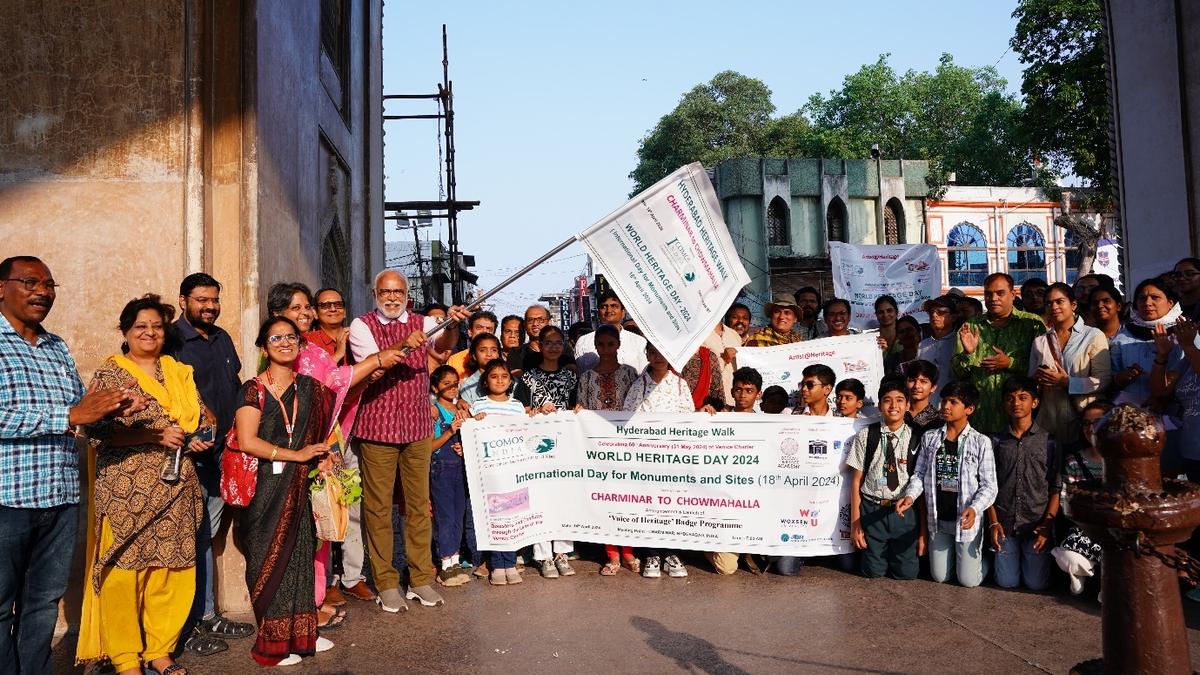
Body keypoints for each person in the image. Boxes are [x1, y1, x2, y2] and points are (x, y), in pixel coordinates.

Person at [0, 257, 143, 675]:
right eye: (30, 282)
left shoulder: (57, 345)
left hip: (61, 496)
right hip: (8, 498)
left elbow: (81, 406)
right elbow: (64, 414)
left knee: (43, 602)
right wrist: (67, 416)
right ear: (1, 287)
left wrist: (113, 406)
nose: (42, 291)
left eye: (49, 283)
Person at [75, 295, 209, 675]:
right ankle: (124, 658)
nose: (149, 332)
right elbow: (95, 431)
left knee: (172, 572)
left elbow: (192, 419)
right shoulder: (111, 373)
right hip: (127, 490)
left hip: (176, 487)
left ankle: (160, 650)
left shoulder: (177, 370)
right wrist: (152, 435)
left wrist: (198, 437)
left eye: (156, 326)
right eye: (140, 327)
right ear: (126, 332)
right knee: (124, 574)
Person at [269, 282, 404, 612]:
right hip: (294, 452)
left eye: (305, 308)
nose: (305, 314)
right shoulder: (290, 352)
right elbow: (333, 382)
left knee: (324, 523)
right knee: (302, 530)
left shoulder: (311, 352)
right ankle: (301, 606)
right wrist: (375, 361)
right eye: (296, 308)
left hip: (325, 447)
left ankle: (313, 601)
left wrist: (362, 374)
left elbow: (339, 390)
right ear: (276, 317)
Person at [347, 270, 467, 613]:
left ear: (407, 293)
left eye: (398, 291)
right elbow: (374, 367)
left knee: (417, 506)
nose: (392, 297)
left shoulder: (424, 322)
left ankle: (419, 579)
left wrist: (452, 324)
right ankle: (385, 581)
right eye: (385, 291)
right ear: (375, 292)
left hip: (416, 428)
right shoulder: (362, 325)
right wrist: (404, 343)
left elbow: (443, 347)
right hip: (378, 428)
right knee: (378, 508)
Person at [232, 316, 337, 666]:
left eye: (291, 337)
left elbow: (321, 435)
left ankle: (303, 633)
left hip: (301, 484)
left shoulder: (311, 388)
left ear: (301, 344)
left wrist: (322, 457)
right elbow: (248, 441)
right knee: (269, 559)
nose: (284, 342)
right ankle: (273, 640)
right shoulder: (252, 389)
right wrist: (297, 455)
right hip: (265, 487)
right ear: (264, 347)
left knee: (301, 556)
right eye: (276, 338)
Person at [168, 273, 254, 654]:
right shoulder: (170, 340)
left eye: (214, 300)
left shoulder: (221, 338)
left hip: (224, 453)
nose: (210, 306)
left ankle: (206, 614)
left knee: (206, 536)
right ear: (184, 299)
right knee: (189, 537)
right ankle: (186, 626)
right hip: (190, 456)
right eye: (201, 299)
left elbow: (233, 386)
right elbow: (164, 393)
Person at [897, 380, 997, 588]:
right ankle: (962, 562)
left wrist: (974, 508)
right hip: (938, 519)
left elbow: (989, 486)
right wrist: (910, 496)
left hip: (966, 519)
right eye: (943, 401)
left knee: (968, 581)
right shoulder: (930, 438)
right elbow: (919, 474)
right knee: (940, 576)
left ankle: (985, 562)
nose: (945, 406)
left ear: (969, 409)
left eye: (953, 402)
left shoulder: (981, 442)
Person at [623, 342, 695, 578]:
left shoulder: (680, 384)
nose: (658, 357)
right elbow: (628, 418)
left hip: (674, 458)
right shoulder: (639, 385)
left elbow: (689, 418)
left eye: (662, 352)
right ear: (647, 355)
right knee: (651, 505)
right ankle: (652, 553)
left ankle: (671, 553)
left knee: (673, 504)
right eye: (652, 352)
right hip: (648, 458)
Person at [514, 325, 578, 578]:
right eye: (548, 342)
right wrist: (535, 412)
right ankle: (543, 555)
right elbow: (520, 411)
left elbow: (576, 406)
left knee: (563, 498)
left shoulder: (572, 377)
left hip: (566, 446)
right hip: (538, 448)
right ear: (539, 345)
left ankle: (562, 552)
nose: (553, 347)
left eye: (558, 342)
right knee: (540, 499)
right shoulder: (527, 379)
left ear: (564, 347)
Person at [576, 324, 640, 576]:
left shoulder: (630, 374)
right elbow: (581, 408)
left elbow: (637, 406)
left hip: (626, 447)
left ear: (618, 345)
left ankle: (629, 551)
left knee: (628, 500)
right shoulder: (587, 377)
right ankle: (612, 553)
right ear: (595, 346)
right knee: (606, 500)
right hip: (598, 449)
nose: (605, 349)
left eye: (610, 344)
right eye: (600, 344)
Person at [986, 375, 1060, 592]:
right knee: (1007, 582)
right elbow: (988, 485)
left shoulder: (1049, 442)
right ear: (1003, 403)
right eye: (1010, 398)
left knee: (1036, 584)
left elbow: (1056, 487)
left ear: (1035, 402)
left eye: (1023, 397)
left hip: (1036, 525)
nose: (1016, 403)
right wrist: (993, 523)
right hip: (1004, 524)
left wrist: (1047, 525)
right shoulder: (996, 441)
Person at [952, 273, 1046, 435]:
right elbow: (957, 372)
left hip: (1018, 421)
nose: (993, 298)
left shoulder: (1032, 324)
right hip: (979, 418)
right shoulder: (971, 326)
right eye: (988, 294)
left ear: (1013, 295)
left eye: (1000, 293)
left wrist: (1010, 363)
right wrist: (968, 354)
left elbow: (1042, 370)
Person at [848, 378, 922, 580]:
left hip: (903, 512)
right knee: (873, 572)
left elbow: (920, 481)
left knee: (906, 574)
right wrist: (856, 524)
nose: (893, 405)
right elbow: (856, 481)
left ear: (908, 405)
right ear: (880, 405)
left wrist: (922, 531)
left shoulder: (917, 438)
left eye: (899, 400)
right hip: (872, 509)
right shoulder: (866, 435)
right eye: (887, 400)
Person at [468, 359, 530, 586]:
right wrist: (475, 421)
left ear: (510, 381)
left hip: (513, 473)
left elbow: (526, 434)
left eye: (504, 376)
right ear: (486, 381)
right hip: (490, 475)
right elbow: (470, 434)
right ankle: (497, 564)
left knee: (513, 515)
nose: (500, 380)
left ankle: (511, 563)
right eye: (494, 376)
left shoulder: (516, 407)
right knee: (494, 518)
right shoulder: (478, 407)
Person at [1029, 282, 1111, 445]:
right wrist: (1037, 379)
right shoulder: (1040, 342)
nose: (1054, 307)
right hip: (1049, 420)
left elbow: (1103, 380)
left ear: (1073, 304)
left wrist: (1067, 382)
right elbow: (1031, 380)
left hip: (1083, 420)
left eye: (1059, 301)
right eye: (1049, 303)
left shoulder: (1093, 335)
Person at [705, 366, 765, 576]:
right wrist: (701, 417)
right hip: (721, 502)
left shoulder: (768, 424)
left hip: (751, 502)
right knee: (727, 568)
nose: (742, 395)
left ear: (759, 394)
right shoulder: (719, 417)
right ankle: (704, 545)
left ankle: (747, 549)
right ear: (731, 391)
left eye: (749, 390)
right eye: (738, 390)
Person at [1052, 401, 1110, 596]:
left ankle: (1107, 586)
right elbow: (1067, 503)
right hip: (1085, 528)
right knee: (1069, 557)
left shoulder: (1122, 459)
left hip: (1116, 529)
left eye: (1098, 422)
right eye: (1086, 423)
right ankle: (1091, 574)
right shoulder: (1074, 461)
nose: (1091, 428)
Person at [428, 365, 475, 587]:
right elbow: (429, 447)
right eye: (446, 383)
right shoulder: (434, 411)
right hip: (441, 469)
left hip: (460, 468)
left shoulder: (463, 409)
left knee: (458, 515)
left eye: (455, 383)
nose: (452, 387)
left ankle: (455, 560)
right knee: (445, 517)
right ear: (436, 387)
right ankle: (445, 564)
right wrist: (450, 431)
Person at [1111, 277, 1185, 408]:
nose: (1147, 303)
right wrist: (1121, 377)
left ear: (1170, 303)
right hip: (1131, 414)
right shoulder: (1124, 335)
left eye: (1155, 297)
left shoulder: (1184, 332)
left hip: (1176, 414)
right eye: (1142, 298)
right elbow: (1110, 377)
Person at [575, 292, 648, 372]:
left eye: (614, 306)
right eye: (604, 307)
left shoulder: (639, 342)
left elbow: (644, 374)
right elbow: (581, 373)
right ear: (598, 312)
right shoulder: (584, 342)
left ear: (623, 312)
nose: (609, 310)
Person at [506, 304, 576, 378]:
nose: (535, 324)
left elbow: (572, 372)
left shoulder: (562, 348)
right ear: (525, 325)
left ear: (549, 323)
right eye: (530, 320)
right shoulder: (516, 353)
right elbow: (515, 377)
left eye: (540, 320)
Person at [917, 295, 958, 400]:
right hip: (927, 407)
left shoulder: (959, 343)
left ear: (953, 317)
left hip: (952, 407)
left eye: (941, 312)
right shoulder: (922, 346)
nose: (934, 315)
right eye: (931, 312)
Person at [446, 310, 497, 378]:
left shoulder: (499, 361)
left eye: (489, 329)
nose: (484, 332)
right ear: (470, 332)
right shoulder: (455, 360)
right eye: (479, 328)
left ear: (494, 334)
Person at [306, 288, 350, 364]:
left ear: (345, 311)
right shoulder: (307, 341)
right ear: (315, 312)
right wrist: (338, 354)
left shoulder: (355, 337)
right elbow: (311, 374)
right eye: (325, 306)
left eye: (338, 305)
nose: (333, 309)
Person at [458, 333, 502, 407]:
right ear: (474, 355)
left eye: (494, 350)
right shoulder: (468, 386)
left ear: (498, 354)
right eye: (483, 350)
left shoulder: (509, 379)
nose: (489, 354)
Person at [903, 360, 943, 435]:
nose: (916, 386)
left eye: (923, 381)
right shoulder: (897, 413)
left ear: (933, 388)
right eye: (912, 380)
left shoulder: (938, 420)